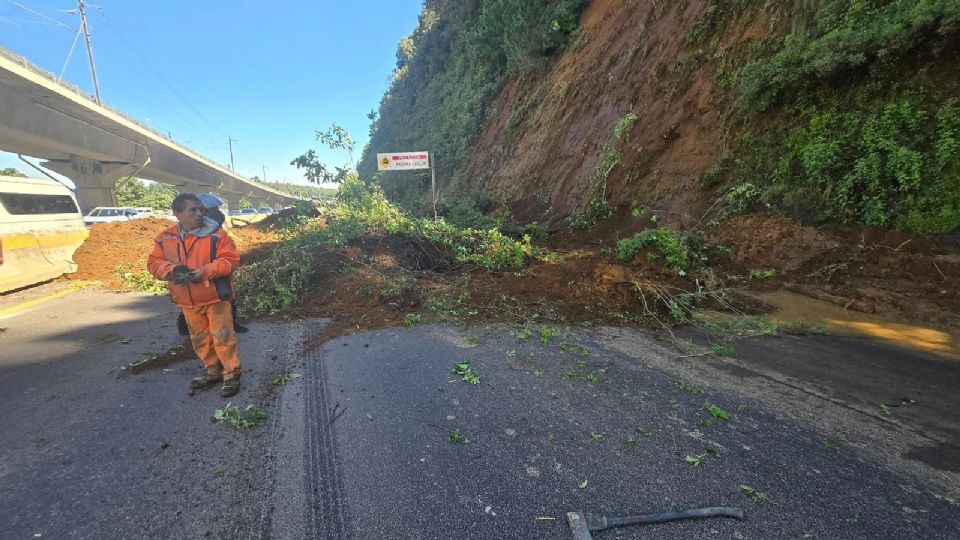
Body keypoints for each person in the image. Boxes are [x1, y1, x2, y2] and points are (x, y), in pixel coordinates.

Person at [148, 193, 243, 397]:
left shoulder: (217, 235)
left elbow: (230, 260)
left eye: (200, 209)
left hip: (215, 297)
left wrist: (205, 271)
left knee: (223, 336)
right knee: (200, 339)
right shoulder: (165, 239)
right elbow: (154, 264)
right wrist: (172, 270)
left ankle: (231, 375)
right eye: (193, 210)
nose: (199, 213)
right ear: (177, 214)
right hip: (187, 301)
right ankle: (213, 371)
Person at [175, 193, 248, 335]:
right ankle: (187, 327)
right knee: (196, 299)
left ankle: (231, 324)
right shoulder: (192, 228)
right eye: (213, 210)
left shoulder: (214, 224)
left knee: (226, 296)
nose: (218, 213)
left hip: (217, 267)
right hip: (201, 269)